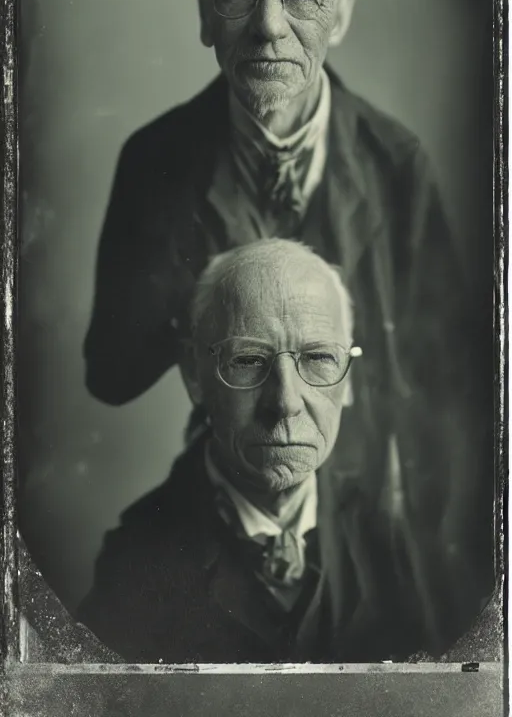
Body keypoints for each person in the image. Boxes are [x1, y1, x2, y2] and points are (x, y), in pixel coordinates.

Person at [84, 0, 492, 590]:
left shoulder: (395, 162)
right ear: (207, 15)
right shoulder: (157, 160)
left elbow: (450, 380)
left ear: (342, 12)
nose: (270, 28)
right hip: (234, 484)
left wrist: (432, 525)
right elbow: (111, 375)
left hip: (372, 516)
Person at [78, 240, 478, 663]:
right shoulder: (135, 561)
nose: (285, 402)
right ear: (195, 377)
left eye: (319, 357)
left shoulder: (399, 545)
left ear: (349, 382)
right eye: (249, 360)